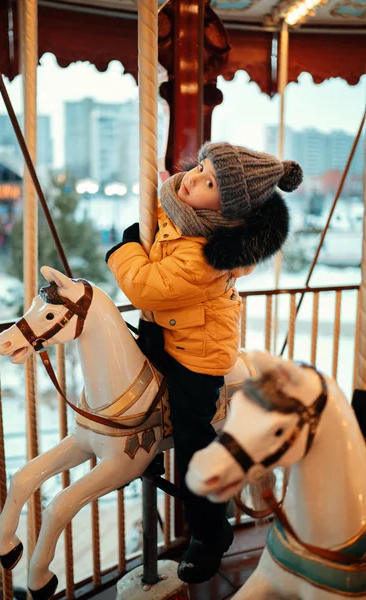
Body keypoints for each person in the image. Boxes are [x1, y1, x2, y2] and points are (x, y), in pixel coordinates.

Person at [105, 141, 303, 584]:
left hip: (197, 350)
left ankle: (211, 533)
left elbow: (147, 288)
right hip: (169, 331)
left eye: (210, 182)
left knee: (195, 438)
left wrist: (124, 250)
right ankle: (137, 452)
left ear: (228, 210)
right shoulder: (183, 212)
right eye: (200, 167)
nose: (192, 177)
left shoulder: (205, 252)